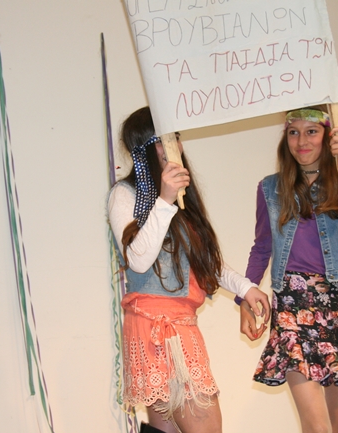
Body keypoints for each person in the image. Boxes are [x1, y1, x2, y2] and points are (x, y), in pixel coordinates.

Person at [107, 106, 271, 433]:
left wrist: (245, 287)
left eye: (176, 137)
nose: (173, 147)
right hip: (155, 324)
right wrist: (164, 201)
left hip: (180, 323)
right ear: (144, 148)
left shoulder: (181, 201)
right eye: (162, 140)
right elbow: (138, 259)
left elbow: (205, 259)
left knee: (167, 429)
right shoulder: (124, 195)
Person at [239, 106, 338, 433]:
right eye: (294, 132)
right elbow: (262, 247)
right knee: (317, 427)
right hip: (292, 305)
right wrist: (244, 297)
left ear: (328, 136)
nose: (301, 141)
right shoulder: (271, 188)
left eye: (311, 132)